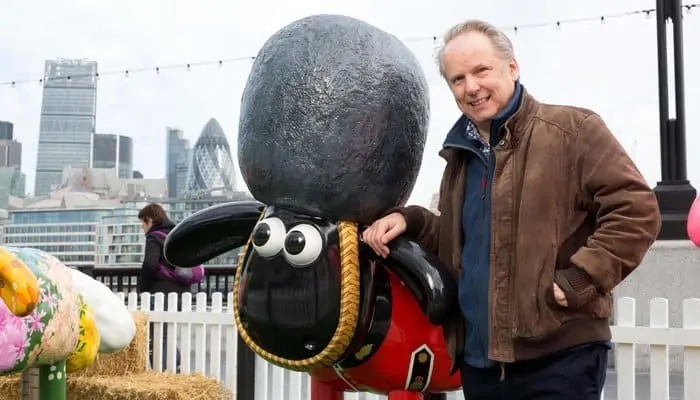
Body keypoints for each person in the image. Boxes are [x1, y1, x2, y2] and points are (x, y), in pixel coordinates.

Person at [362, 19, 661, 399]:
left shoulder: (573, 130)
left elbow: (636, 210)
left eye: (481, 70)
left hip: (560, 357)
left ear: (512, 68)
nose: (471, 87)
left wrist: (580, 279)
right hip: (480, 363)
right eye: (457, 79)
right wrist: (410, 219)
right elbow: (458, 242)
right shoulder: (459, 158)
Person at [138, 203, 188, 373]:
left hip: (161, 293)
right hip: (181, 293)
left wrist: (143, 290)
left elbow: (150, 265)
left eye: (142, 224)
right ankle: (176, 365)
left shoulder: (154, 237)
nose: (142, 229)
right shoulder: (175, 234)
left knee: (157, 336)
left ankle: (166, 371)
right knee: (169, 333)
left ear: (149, 220)